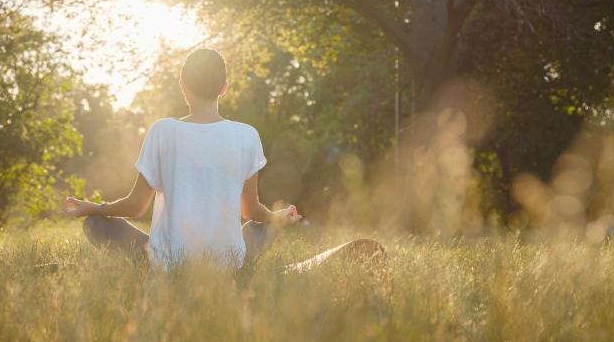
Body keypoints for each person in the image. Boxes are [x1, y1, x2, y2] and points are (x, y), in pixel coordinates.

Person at [61, 48, 384, 268]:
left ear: (183, 86)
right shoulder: (247, 135)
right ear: (224, 88)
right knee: (262, 226)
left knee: (98, 225)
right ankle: (276, 271)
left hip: (169, 263)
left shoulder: (162, 130)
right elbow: (251, 211)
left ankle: (156, 268)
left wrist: (96, 208)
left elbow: (136, 207)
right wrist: (278, 216)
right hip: (227, 263)